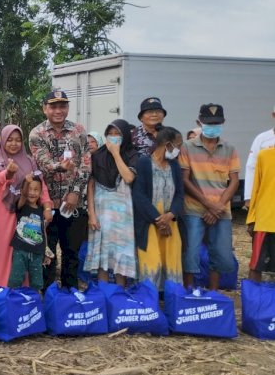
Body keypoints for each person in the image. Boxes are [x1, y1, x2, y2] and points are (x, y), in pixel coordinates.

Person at [29, 90, 91, 289]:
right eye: (53, 106)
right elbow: (43, 162)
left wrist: (74, 192)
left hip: (74, 203)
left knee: (71, 251)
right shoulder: (37, 134)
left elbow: (86, 165)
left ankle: (69, 292)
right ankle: (49, 295)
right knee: (48, 251)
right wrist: (59, 167)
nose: (58, 110)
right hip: (47, 205)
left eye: (62, 106)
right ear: (44, 109)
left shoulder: (79, 131)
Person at [179, 104, 240, 290]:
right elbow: (185, 180)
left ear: (223, 123)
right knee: (191, 252)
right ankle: (189, 292)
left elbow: (234, 181)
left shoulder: (229, 148)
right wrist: (208, 204)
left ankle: (213, 292)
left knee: (221, 253)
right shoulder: (187, 147)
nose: (212, 126)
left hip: (221, 210)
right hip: (194, 209)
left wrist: (218, 206)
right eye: (208, 122)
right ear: (199, 122)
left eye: (216, 123)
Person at [0, 125, 52, 293]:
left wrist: (47, 206)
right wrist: (9, 172)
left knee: (24, 248)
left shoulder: (29, 161)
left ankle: (23, 291)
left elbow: (41, 185)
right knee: (4, 249)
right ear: (2, 140)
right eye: (9, 140)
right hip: (5, 213)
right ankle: (0, 289)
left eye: (17, 140)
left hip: (26, 213)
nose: (14, 144)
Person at [85, 120, 138, 285]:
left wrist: (116, 154)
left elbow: (129, 177)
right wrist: (91, 214)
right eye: (110, 134)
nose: (113, 138)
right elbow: (91, 185)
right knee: (103, 257)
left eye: (118, 134)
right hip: (101, 211)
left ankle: (119, 295)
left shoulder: (132, 154)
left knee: (120, 255)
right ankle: (104, 293)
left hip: (123, 214)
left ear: (125, 137)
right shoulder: (97, 155)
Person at [132, 126, 184, 293]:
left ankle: (171, 299)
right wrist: (158, 219)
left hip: (171, 222)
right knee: (152, 261)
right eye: (178, 145)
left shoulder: (175, 165)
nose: (179, 149)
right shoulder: (144, 163)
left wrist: (170, 215)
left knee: (172, 260)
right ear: (168, 145)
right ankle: (149, 301)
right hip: (150, 224)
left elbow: (180, 194)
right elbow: (139, 196)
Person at [10, 178, 52, 291]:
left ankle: (35, 302)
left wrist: (46, 251)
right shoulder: (21, 206)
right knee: (15, 279)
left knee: (37, 282)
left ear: (40, 193)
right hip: (20, 250)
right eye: (29, 189)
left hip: (37, 253)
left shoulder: (41, 211)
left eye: (36, 189)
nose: (32, 192)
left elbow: (43, 232)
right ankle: (13, 300)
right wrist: (26, 183)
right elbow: (23, 196)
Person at [246, 146, 275, 281]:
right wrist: (251, 218)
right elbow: (256, 187)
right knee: (256, 265)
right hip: (266, 220)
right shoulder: (264, 155)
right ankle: (253, 300)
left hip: (266, 220)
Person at [244, 104, 275, 209]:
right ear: (273, 115)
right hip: (266, 194)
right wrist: (249, 197)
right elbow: (251, 167)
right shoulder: (262, 139)